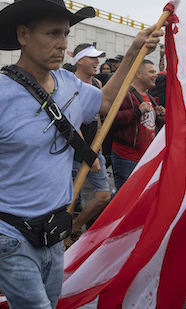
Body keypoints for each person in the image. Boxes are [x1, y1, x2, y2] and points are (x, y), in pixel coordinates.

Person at [0, 0, 162, 308]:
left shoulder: (69, 84)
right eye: (52, 33)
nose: (63, 44)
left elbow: (106, 101)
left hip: (55, 234)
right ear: (23, 34)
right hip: (10, 237)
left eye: (65, 34)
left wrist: (134, 53)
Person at [65, 43, 111, 247]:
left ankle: (76, 226)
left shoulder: (97, 84)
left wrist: (98, 143)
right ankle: (64, 235)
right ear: (79, 60)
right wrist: (87, 153)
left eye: (98, 58)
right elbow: (73, 122)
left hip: (94, 147)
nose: (97, 62)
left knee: (103, 195)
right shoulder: (70, 83)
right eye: (92, 58)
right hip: (75, 150)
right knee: (71, 197)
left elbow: (98, 116)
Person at [111, 59, 164, 191]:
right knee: (124, 197)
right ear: (138, 74)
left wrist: (160, 118)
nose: (155, 75)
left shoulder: (151, 98)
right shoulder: (124, 94)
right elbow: (112, 119)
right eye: (151, 72)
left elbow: (148, 125)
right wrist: (137, 111)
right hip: (127, 157)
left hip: (146, 157)